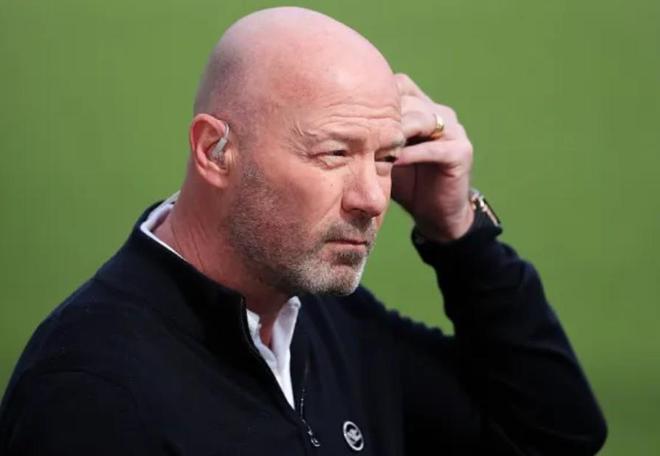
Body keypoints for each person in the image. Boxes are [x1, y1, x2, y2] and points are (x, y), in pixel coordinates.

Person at [0, 6, 607, 455]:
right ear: (214, 151)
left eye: (386, 157)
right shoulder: (90, 389)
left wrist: (459, 235)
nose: (373, 198)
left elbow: (553, 435)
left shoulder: (327, 319)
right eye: (334, 153)